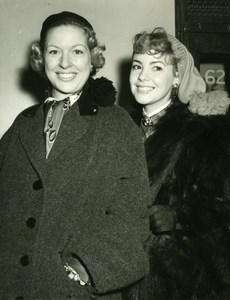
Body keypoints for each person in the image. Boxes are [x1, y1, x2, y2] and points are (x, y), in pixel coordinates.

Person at [0, 11, 151, 300]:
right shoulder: (23, 122)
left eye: (77, 51)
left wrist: (85, 269)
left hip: (76, 292)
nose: (65, 63)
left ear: (93, 58)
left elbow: (132, 218)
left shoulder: (117, 124)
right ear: (41, 58)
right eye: (54, 51)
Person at [123, 27, 230, 299]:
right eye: (137, 66)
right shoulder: (118, 128)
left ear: (177, 77)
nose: (142, 76)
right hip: (119, 279)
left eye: (156, 67)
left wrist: (178, 216)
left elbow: (223, 207)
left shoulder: (202, 131)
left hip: (176, 285)